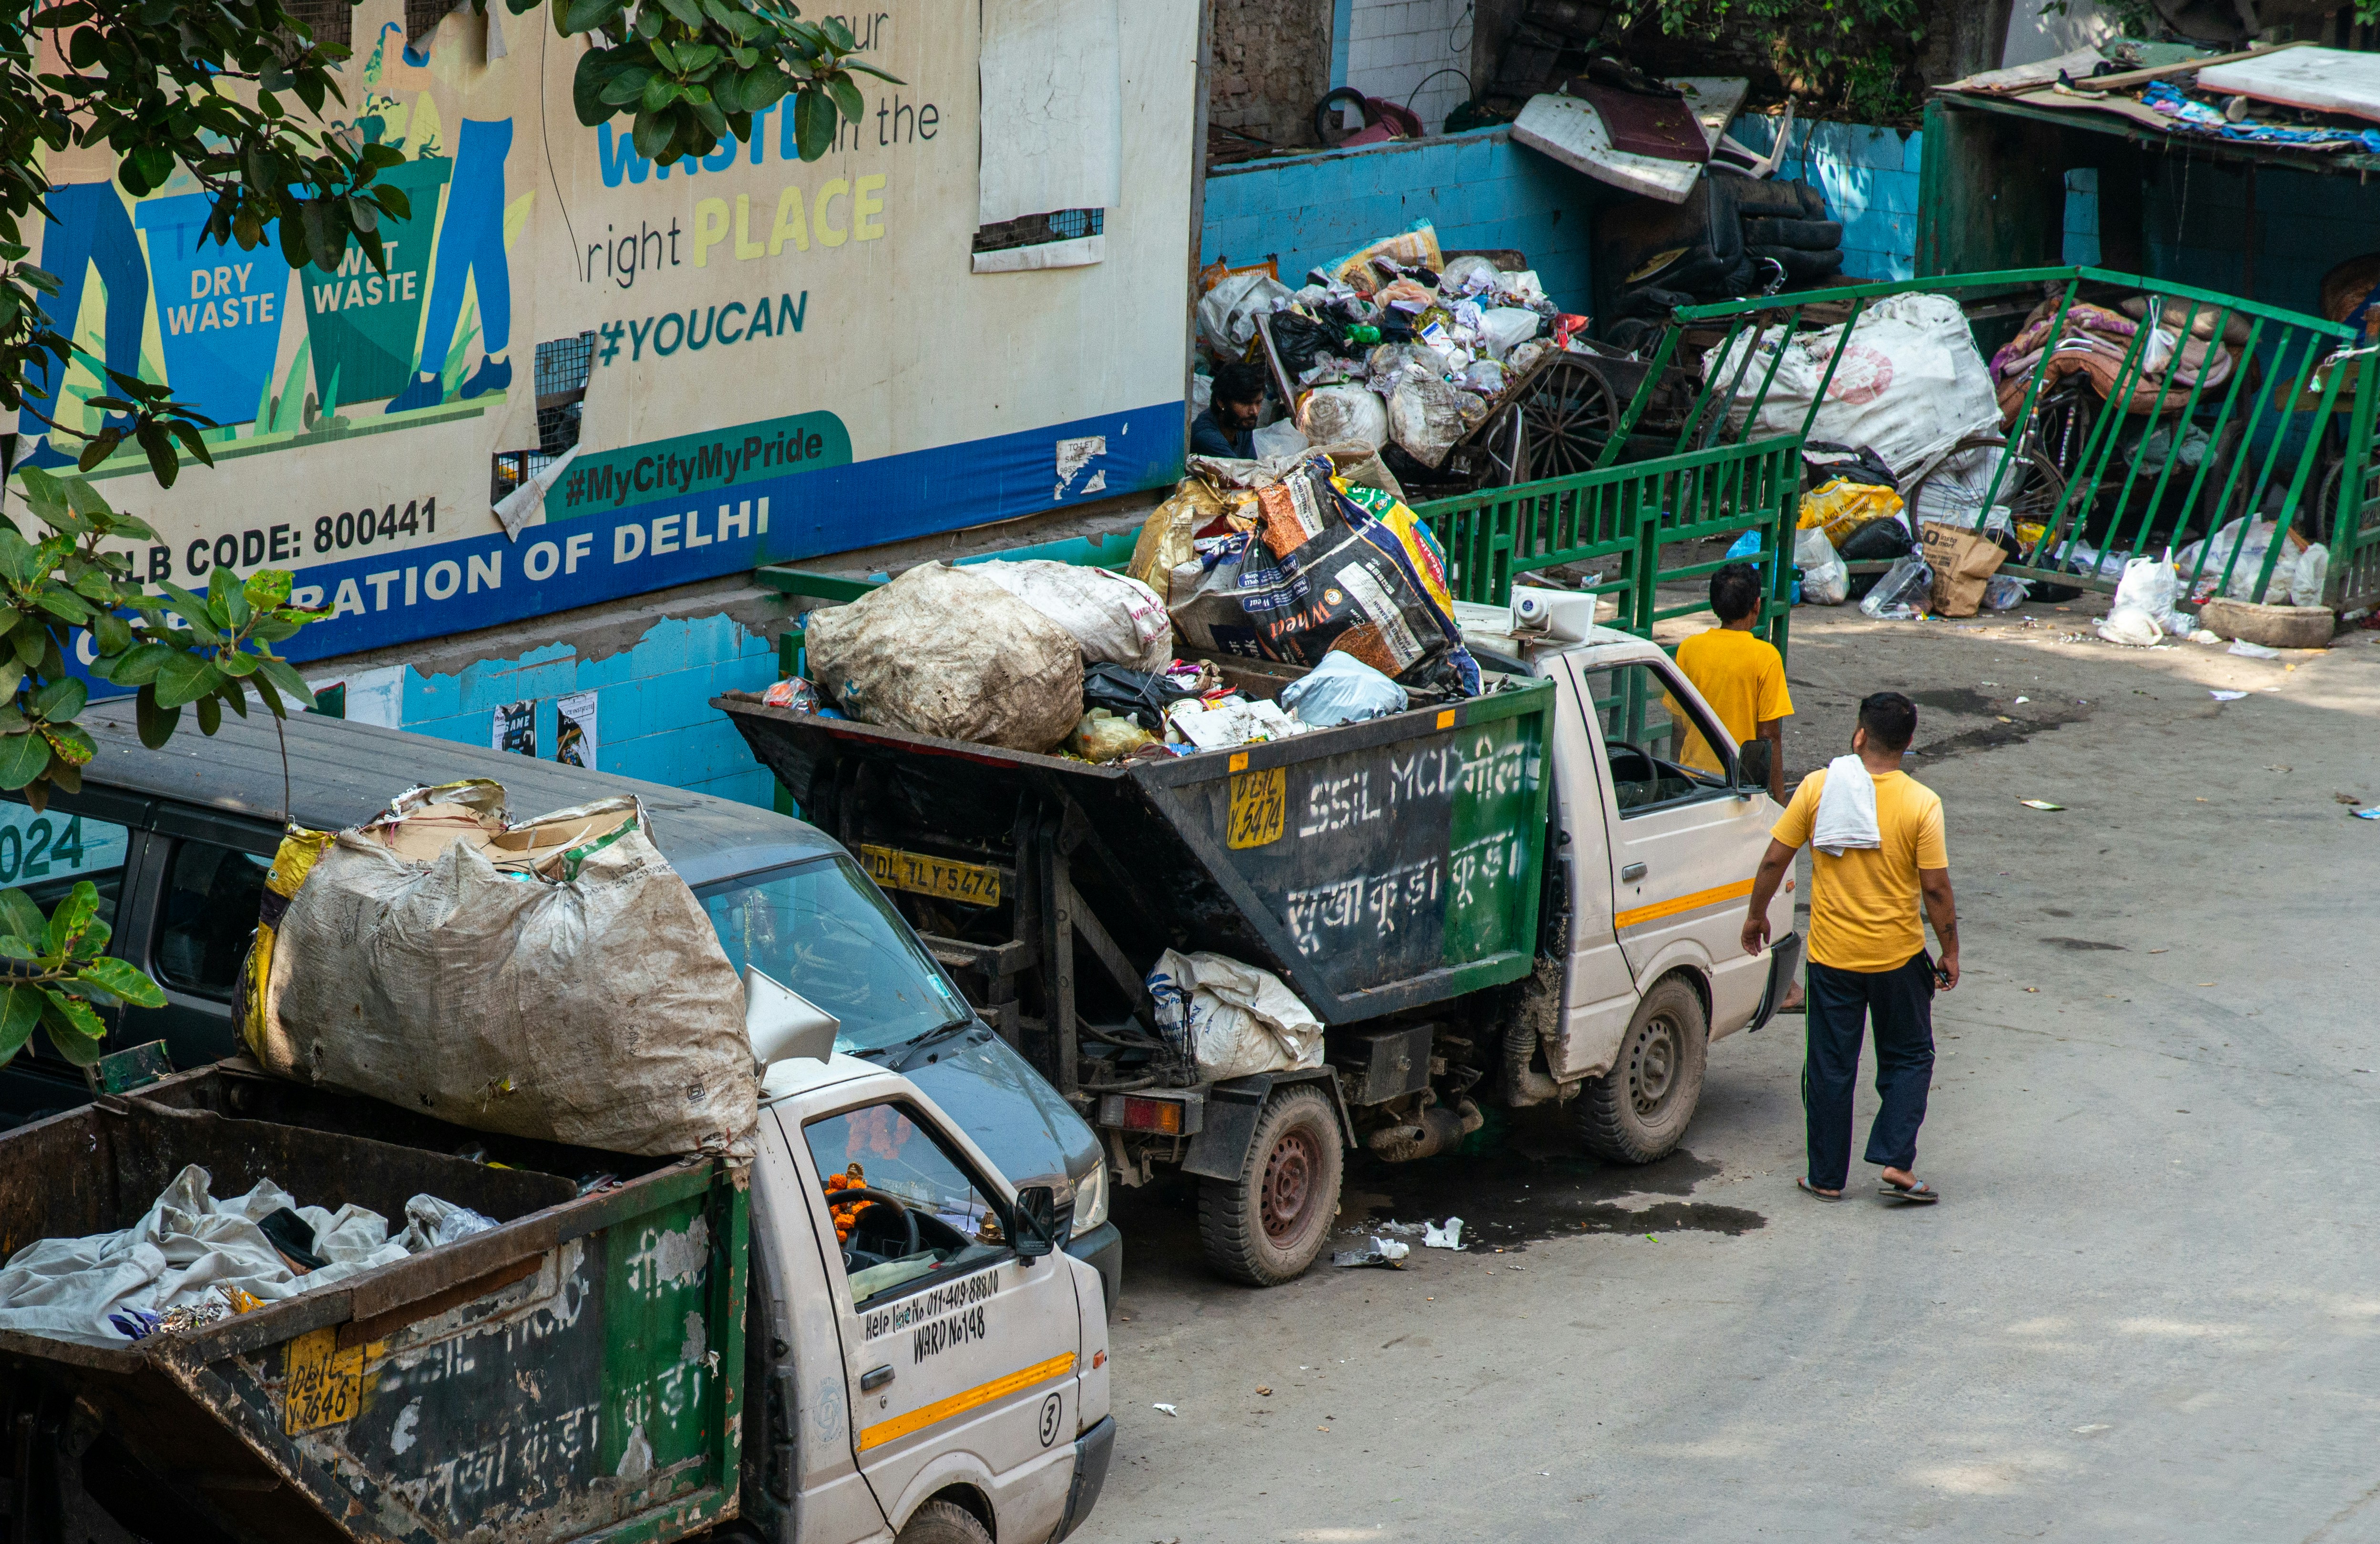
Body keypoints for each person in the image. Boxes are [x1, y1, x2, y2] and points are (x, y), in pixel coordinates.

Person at [1740, 691, 1957, 1205]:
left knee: (1830, 1067)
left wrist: (1756, 915)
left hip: (1832, 959)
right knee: (1909, 1057)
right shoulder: (1922, 803)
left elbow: (1775, 859)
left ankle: (1827, 1177)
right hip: (1898, 957)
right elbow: (1936, 889)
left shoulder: (1820, 787)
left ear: (1860, 735)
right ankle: (1897, 1161)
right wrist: (1950, 949)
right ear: (1908, 743)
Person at [1672, 563, 1793, 803]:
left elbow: (1679, 722)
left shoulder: (1689, 648)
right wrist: (1779, 798)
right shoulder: (1765, 656)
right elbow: (1769, 735)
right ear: (1757, 605)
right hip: (1739, 783)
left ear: (1715, 605)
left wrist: (1678, 778)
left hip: (1693, 779)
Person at [1190, 362, 1268, 459]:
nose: (1255, 412)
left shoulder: (1242, 423)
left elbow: (1252, 467)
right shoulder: (1207, 437)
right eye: (1245, 403)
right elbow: (1241, 473)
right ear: (1221, 402)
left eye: (1258, 403)